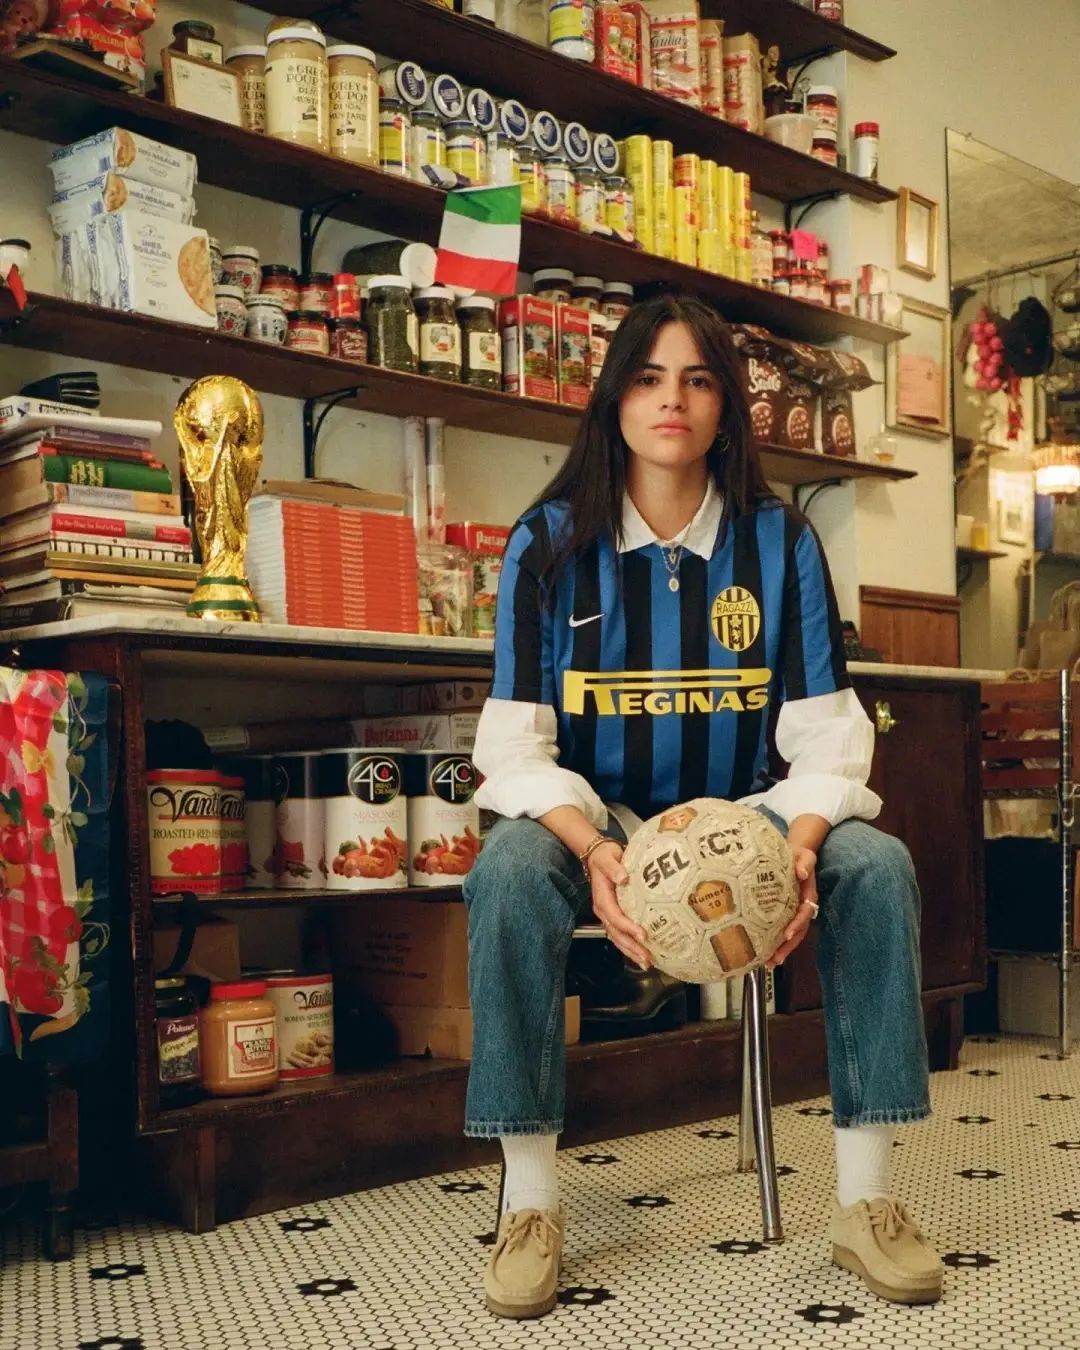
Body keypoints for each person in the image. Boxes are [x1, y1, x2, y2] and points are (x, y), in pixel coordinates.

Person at [464, 291, 943, 1319]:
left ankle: (866, 1201)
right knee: (504, 872)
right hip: (601, 819)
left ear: (727, 404)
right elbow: (512, 746)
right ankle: (530, 1204)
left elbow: (827, 734)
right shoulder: (547, 542)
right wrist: (593, 848)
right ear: (614, 398)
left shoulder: (782, 541)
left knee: (878, 865)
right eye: (647, 378)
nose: (670, 401)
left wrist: (799, 847)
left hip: (753, 815)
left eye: (696, 379)